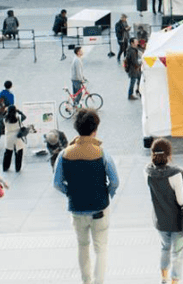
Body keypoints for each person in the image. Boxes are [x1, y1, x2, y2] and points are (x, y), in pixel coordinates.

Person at [53, 109, 119, 284]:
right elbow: (115, 181)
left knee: (82, 246)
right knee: (101, 249)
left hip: (77, 208)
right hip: (100, 208)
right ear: (95, 129)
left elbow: (57, 183)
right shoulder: (101, 153)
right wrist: (107, 195)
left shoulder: (64, 154)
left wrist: (70, 193)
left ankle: (86, 281)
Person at [145, 138, 183, 284]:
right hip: (178, 222)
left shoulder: (148, 172)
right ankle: (174, 282)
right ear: (169, 155)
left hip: (160, 221)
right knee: (178, 254)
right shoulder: (175, 174)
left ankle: (164, 278)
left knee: (165, 248)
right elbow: (181, 201)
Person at [1, 106, 27, 173]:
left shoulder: (5, 119)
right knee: (19, 153)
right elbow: (24, 116)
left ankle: (5, 167)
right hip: (17, 137)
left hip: (9, 137)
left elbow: (1, 117)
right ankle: (17, 168)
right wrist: (18, 111)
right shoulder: (18, 118)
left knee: (8, 153)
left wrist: (5, 111)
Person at [0, 81, 15, 151]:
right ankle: (12, 144)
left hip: (1, 114)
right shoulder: (11, 95)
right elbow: (11, 105)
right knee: (10, 129)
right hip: (8, 114)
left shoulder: (0, 93)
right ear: (11, 86)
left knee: (0, 128)